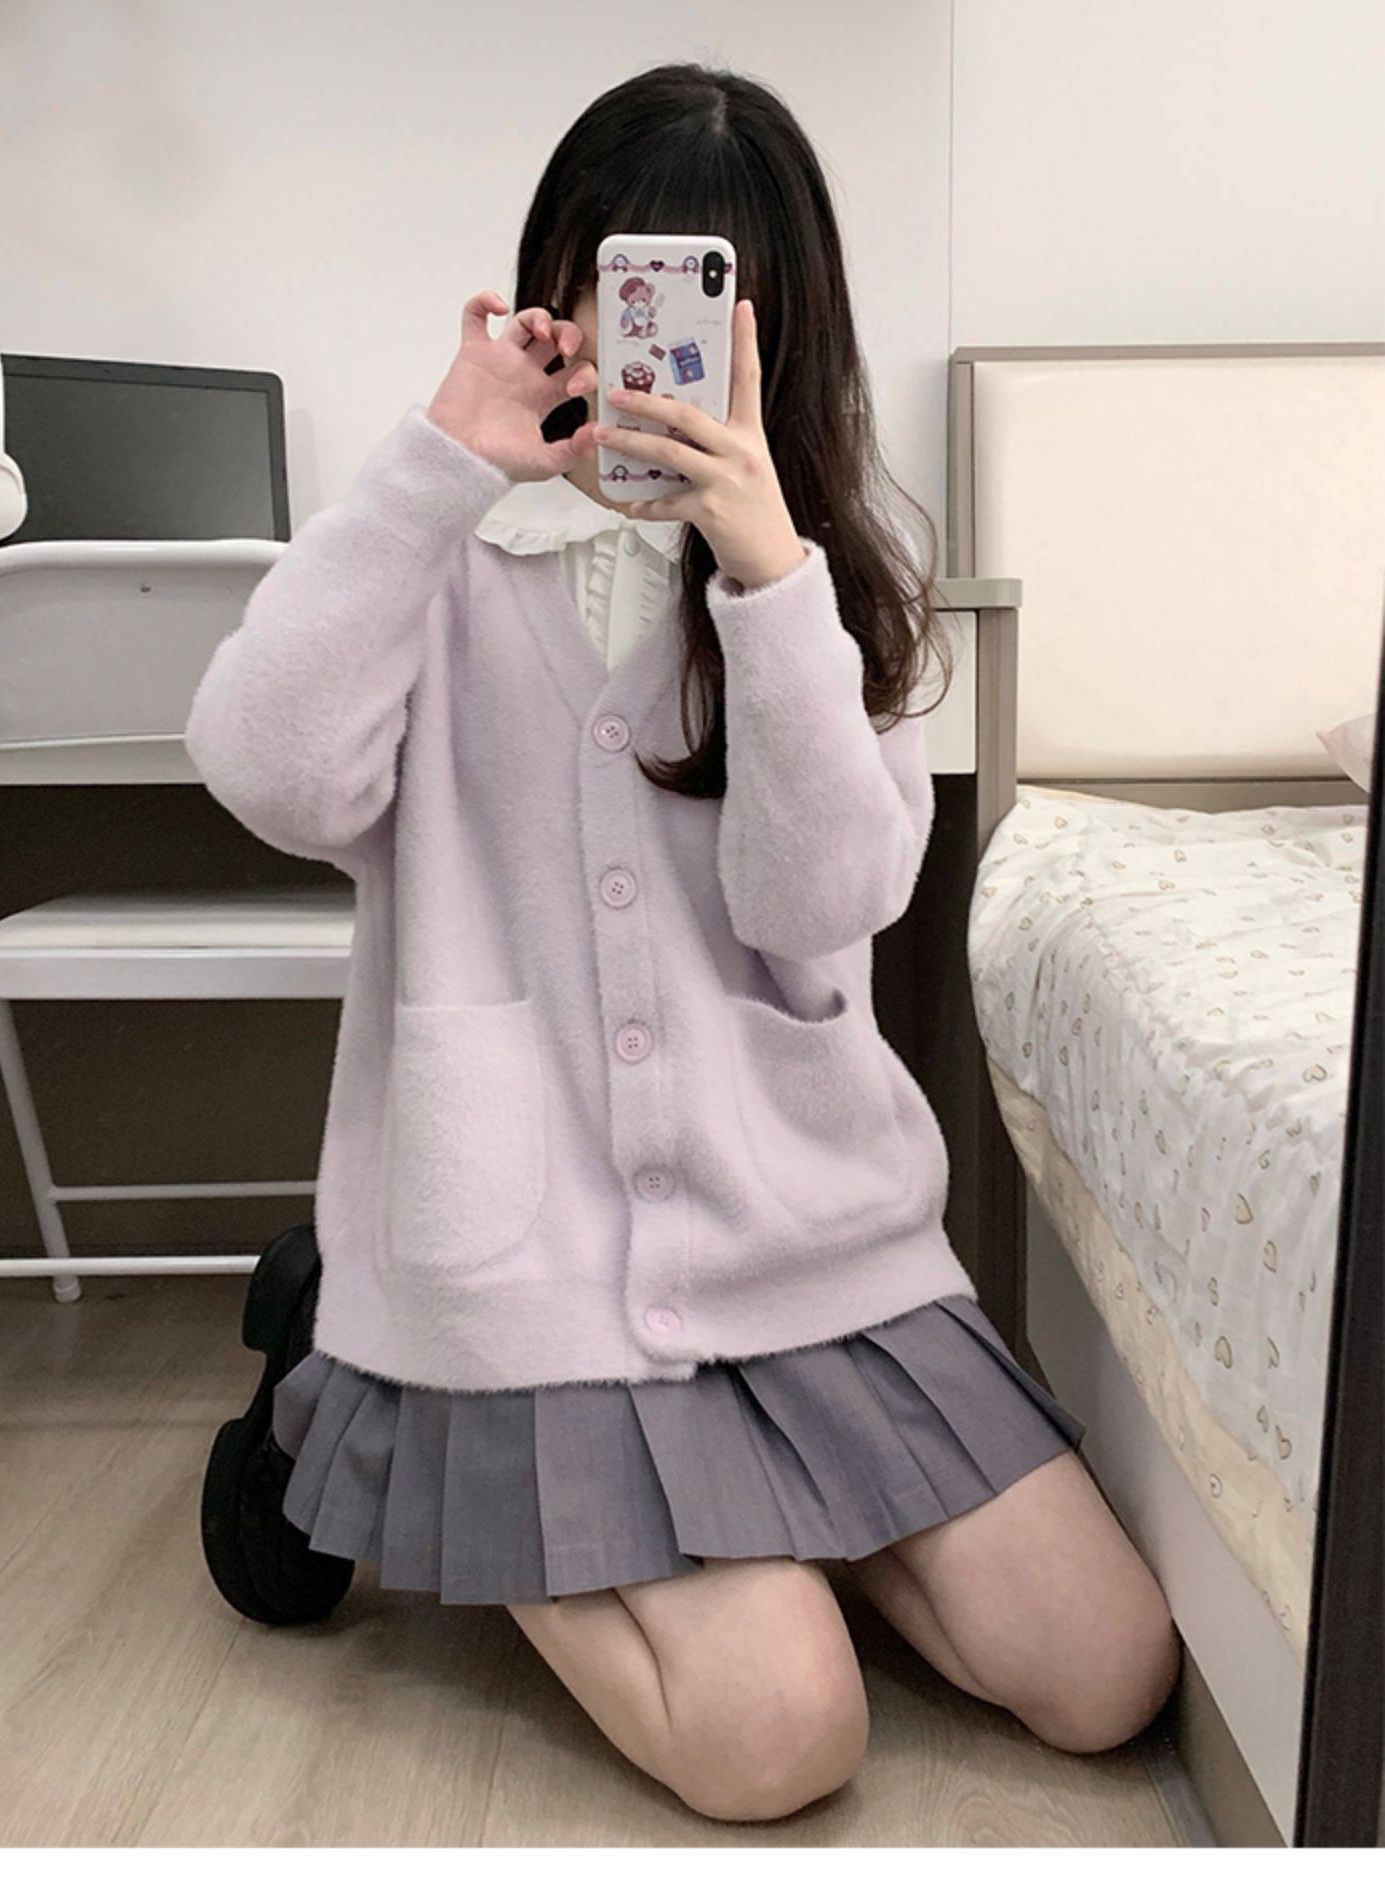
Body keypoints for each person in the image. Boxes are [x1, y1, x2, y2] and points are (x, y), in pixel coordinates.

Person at [187, 60, 1180, 1826]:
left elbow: (824, 904)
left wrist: (770, 579)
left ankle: (741, 1507)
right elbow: (261, 770)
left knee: (1109, 1670)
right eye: (612, 284)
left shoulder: (834, 582)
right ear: (552, 296)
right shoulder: (436, 550)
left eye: (705, 304)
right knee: (780, 1736)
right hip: (529, 1260)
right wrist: (435, 465)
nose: (649, 345)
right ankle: (359, 1387)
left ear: (773, 332)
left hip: (806, 1249)